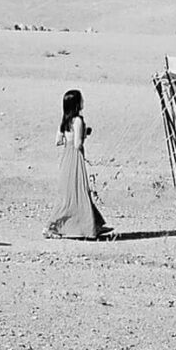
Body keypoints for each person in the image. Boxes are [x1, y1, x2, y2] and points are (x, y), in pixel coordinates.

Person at [44, 88, 109, 240]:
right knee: (79, 191)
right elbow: (78, 144)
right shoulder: (78, 120)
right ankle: (55, 226)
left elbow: (58, 141)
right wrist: (84, 134)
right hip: (75, 157)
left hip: (66, 158)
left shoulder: (65, 121)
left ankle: (92, 224)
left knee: (69, 193)